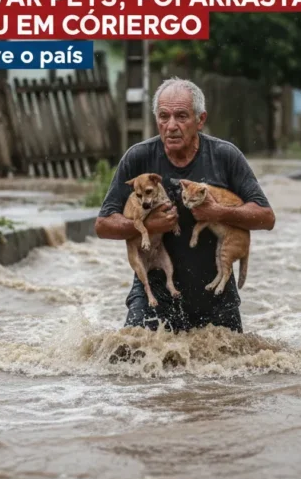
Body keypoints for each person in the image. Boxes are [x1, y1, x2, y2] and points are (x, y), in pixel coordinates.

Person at [95, 77, 276, 334]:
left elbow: (266, 217)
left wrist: (218, 212)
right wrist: (147, 224)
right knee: (129, 352)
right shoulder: (139, 158)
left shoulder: (225, 156)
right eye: (164, 116)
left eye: (181, 116)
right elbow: (103, 225)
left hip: (215, 297)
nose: (171, 126)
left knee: (231, 359)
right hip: (155, 295)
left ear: (200, 120)